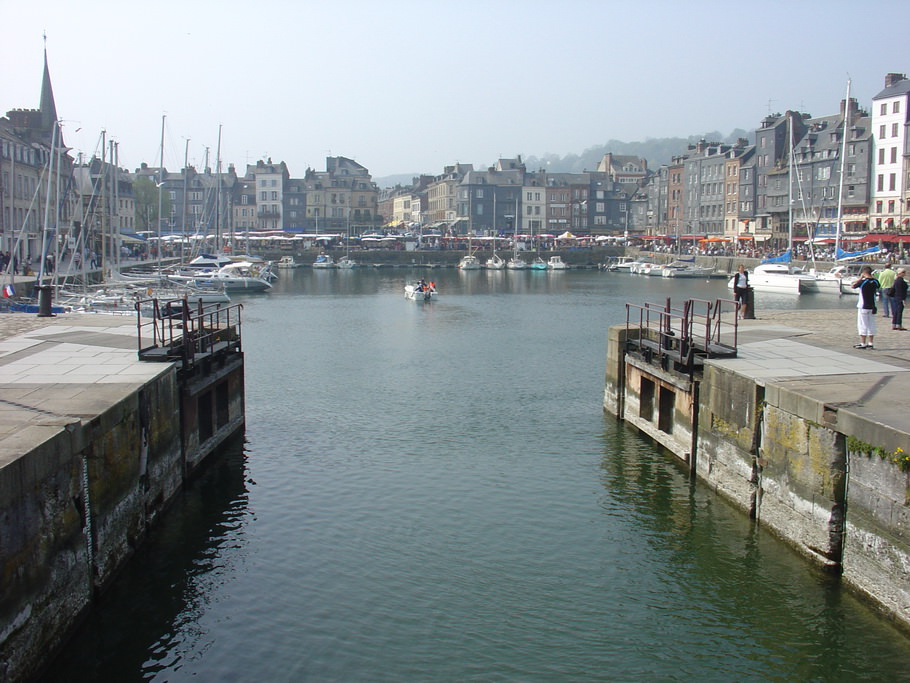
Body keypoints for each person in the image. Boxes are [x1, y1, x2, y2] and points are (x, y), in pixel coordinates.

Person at [852, 266, 880, 349]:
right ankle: (870, 342)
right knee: (871, 324)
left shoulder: (863, 282)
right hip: (872, 306)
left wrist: (861, 278)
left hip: (863, 306)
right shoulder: (875, 281)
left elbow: (853, 286)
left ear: (864, 273)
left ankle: (863, 343)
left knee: (862, 324)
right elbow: (878, 286)